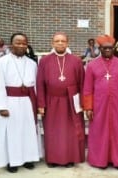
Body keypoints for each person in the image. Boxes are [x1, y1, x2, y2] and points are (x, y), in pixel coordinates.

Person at [0, 33, 41, 173]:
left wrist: (37, 103)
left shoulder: (32, 63)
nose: (21, 45)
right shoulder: (1, 62)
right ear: (11, 44)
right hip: (9, 102)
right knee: (11, 132)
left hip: (28, 102)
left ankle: (28, 158)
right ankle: (12, 161)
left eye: (24, 43)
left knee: (28, 131)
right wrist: (1, 106)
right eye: (18, 43)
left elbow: (36, 85)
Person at [83, 34, 118, 169]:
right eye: (104, 48)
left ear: (114, 48)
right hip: (99, 105)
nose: (107, 50)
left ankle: (117, 160)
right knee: (99, 131)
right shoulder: (92, 65)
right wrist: (88, 107)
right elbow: (87, 88)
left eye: (110, 48)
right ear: (100, 49)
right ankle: (100, 160)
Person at [37, 32, 85, 168]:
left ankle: (70, 158)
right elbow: (39, 83)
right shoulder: (45, 61)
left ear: (67, 43)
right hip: (51, 101)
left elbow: (82, 83)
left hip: (70, 101)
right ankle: (52, 159)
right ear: (52, 43)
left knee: (70, 132)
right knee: (52, 132)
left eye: (63, 41)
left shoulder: (76, 60)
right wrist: (41, 104)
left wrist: (82, 102)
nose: (60, 43)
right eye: (57, 41)